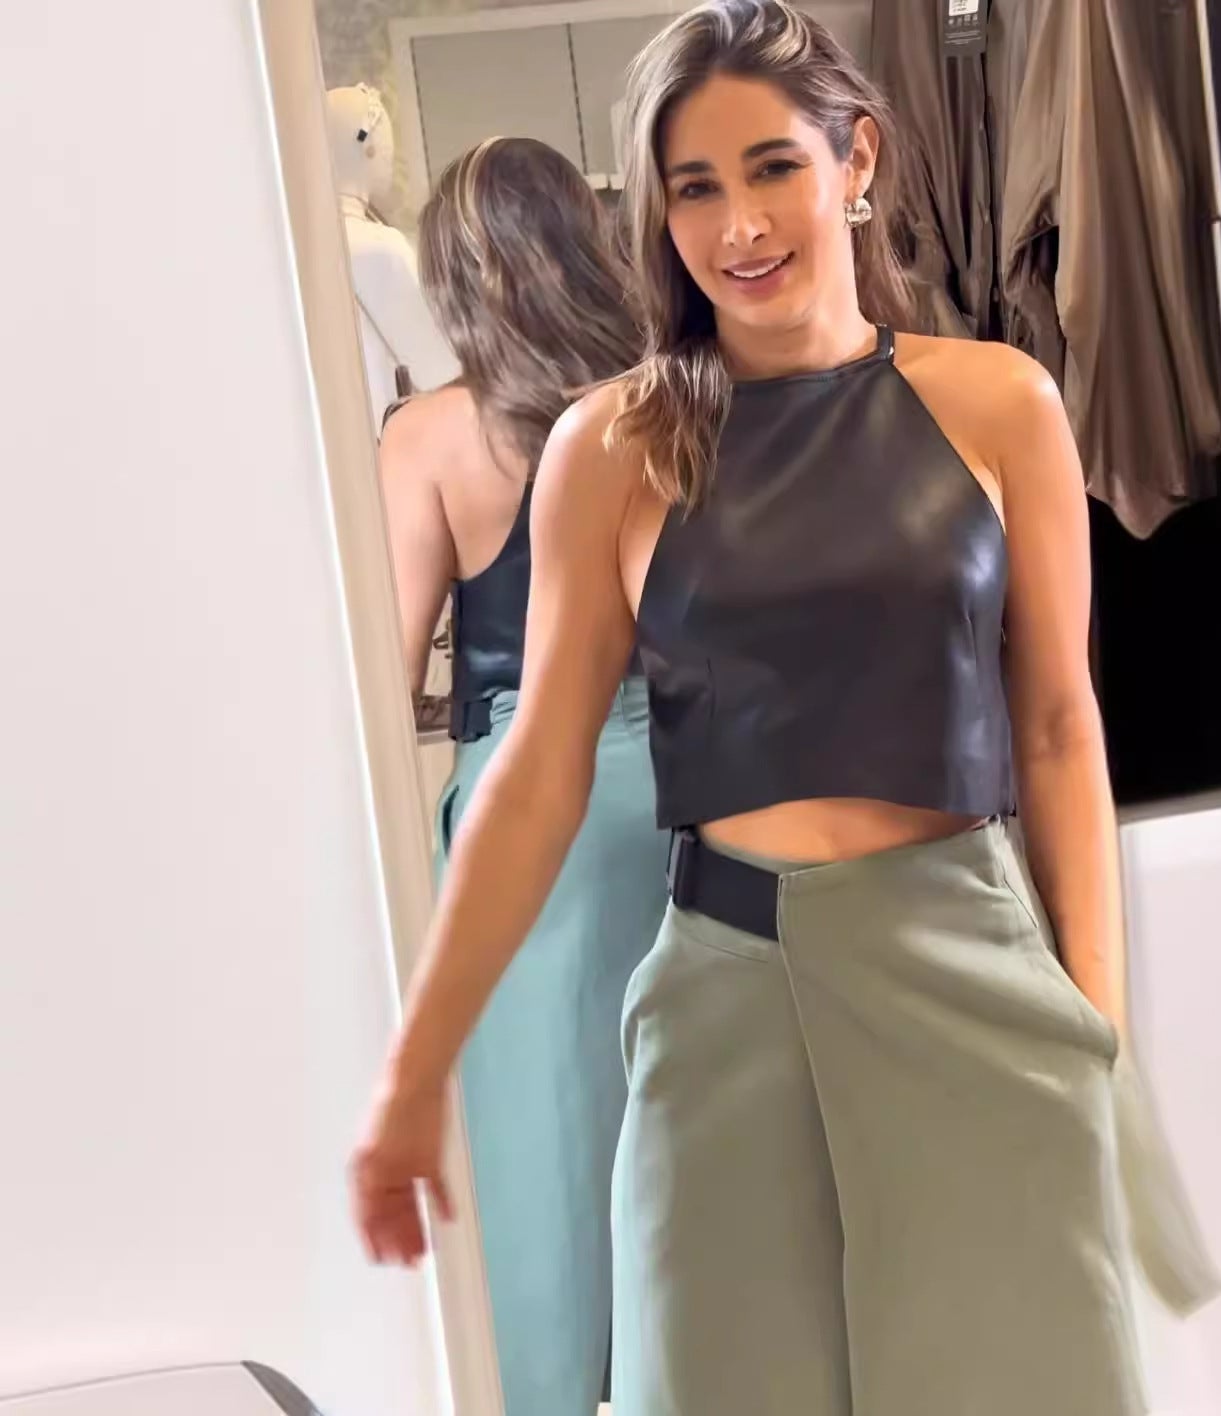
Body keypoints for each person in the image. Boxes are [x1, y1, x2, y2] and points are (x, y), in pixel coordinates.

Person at [353, 4, 1168, 1411]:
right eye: (695, 187)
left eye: (773, 166)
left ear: (859, 159)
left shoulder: (1003, 404)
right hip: (723, 993)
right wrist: (418, 1066)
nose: (738, 224)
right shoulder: (613, 447)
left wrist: (1096, 1027)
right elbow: (537, 771)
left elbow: (1055, 728)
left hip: (967, 969)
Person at [374, 136, 665, 1416]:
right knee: (680, 1131)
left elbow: (387, 667)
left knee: (540, 1152)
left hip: (528, 813)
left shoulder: (431, 436)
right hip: (685, 786)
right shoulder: (670, 403)